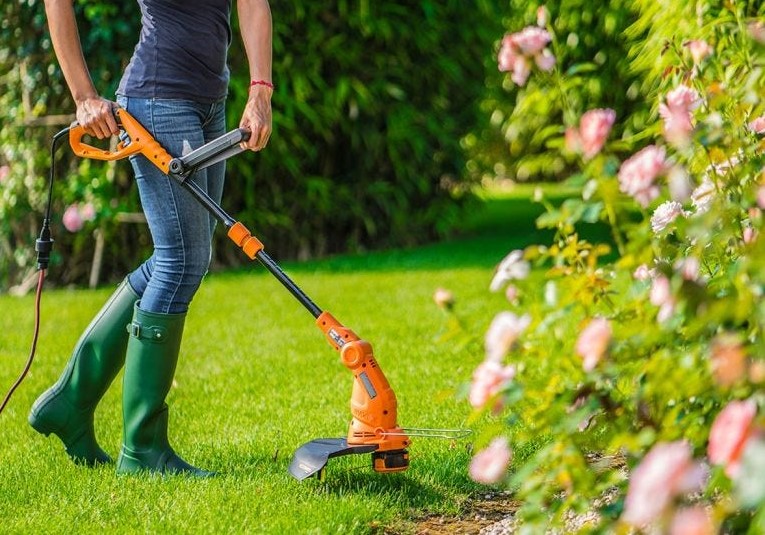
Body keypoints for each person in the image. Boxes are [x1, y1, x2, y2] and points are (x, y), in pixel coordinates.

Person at [28, 0, 273, 477]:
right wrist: (83, 96)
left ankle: (70, 402)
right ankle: (142, 448)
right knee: (180, 261)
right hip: (158, 99)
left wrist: (260, 88)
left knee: (184, 259)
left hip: (210, 102)